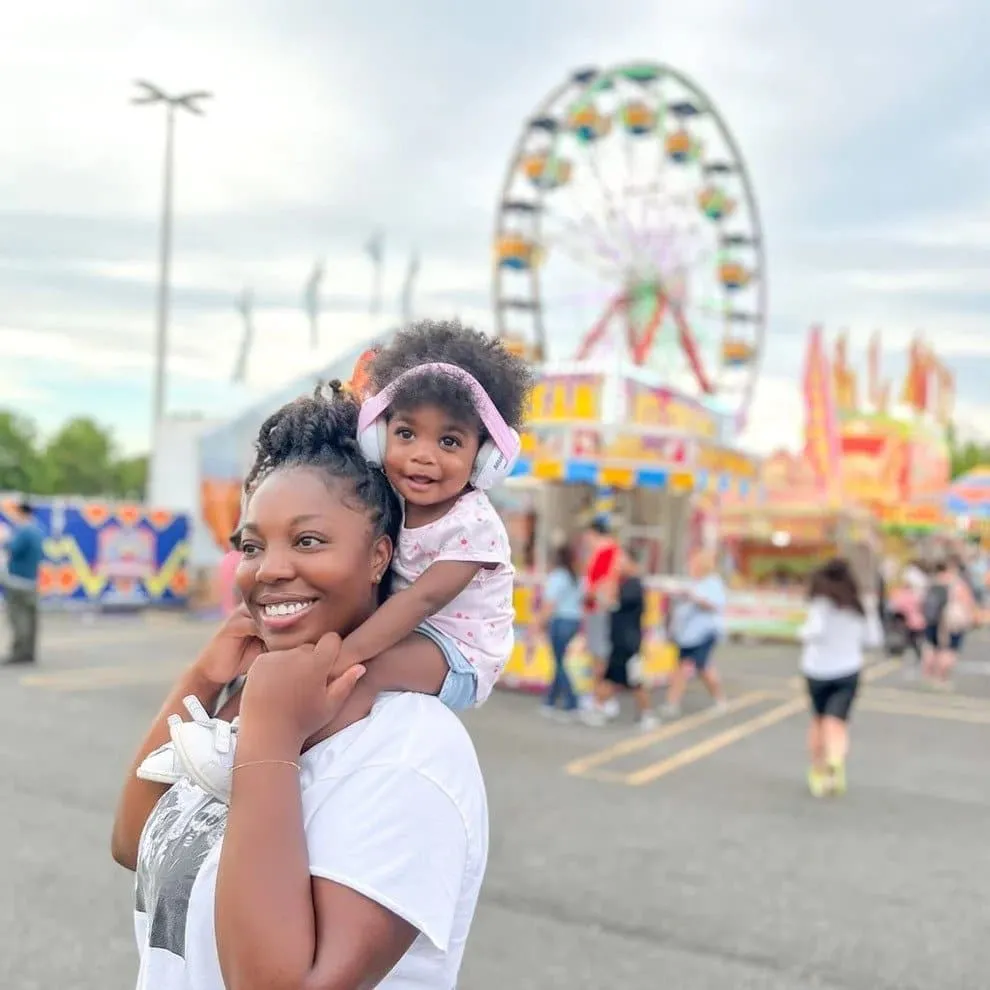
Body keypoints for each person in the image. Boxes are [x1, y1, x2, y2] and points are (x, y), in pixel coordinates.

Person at [112, 382, 489, 990]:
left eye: (308, 540)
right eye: (253, 546)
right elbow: (137, 844)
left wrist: (270, 733)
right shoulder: (252, 698)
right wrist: (205, 679)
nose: (271, 569)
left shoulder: (411, 751)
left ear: (378, 556)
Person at [338, 318, 533, 708]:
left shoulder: (474, 526)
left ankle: (303, 756)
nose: (423, 455)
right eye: (406, 433)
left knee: (357, 672)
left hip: (461, 656)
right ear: (377, 437)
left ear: (485, 457)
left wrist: (341, 654)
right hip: (415, 634)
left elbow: (420, 601)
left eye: (449, 441)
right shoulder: (390, 497)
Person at [799, 559, 882, 797]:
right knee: (838, 722)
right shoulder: (861, 604)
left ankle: (817, 770)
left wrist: (800, 632)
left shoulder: (820, 603)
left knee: (818, 719)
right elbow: (873, 639)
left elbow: (813, 632)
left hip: (816, 669)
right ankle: (835, 761)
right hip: (848, 668)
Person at [582, 547, 657, 730]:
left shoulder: (633, 585)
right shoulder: (625, 583)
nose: (617, 565)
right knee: (612, 677)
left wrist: (604, 591)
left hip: (628, 643)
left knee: (635, 680)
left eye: (621, 562)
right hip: (619, 642)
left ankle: (646, 714)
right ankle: (599, 708)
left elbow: (612, 602)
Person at [662, 548, 728, 717]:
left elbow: (714, 605)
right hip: (686, 634)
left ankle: (718, 700)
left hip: (704, 633)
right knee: (690, 667)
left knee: (695, 667)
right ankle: (673, 702)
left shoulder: (713, 583)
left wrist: (694, 597)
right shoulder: (693, 582)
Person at [536, 543, 584, 719]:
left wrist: (539, 623)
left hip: (560, 621)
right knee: (561, 660)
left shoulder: (558, 577)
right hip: (574, 621)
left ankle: (572, 701)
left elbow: (549, 604)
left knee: (559, 662)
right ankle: (550, 700)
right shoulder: (576, 577)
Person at [581, 516, 621, 718]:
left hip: (599, 608)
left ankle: (600, 697)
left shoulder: (606, 551)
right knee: (598, 654)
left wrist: (590, 594)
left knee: (599, 655)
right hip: (598, 607)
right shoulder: (607, 551)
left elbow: (605, 580)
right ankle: (599, 696)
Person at [1, 499, 45, 666]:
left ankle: (19, 652)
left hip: (17, 579)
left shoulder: (24, 531)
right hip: (31, 579)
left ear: (21, 513)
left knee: (18, 617)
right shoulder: (38, 530)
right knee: (31, 618)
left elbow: (13, 548)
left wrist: (4, 539)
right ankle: (30, 652)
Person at [921, 558, 974, 688]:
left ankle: (928, 676)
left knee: (931, 647)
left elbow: (922, 600)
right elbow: (967, 602)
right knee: (949, 650)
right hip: (951, 622)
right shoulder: (957, 584)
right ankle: (942, 678)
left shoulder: (933, 581)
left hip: (932, 619)